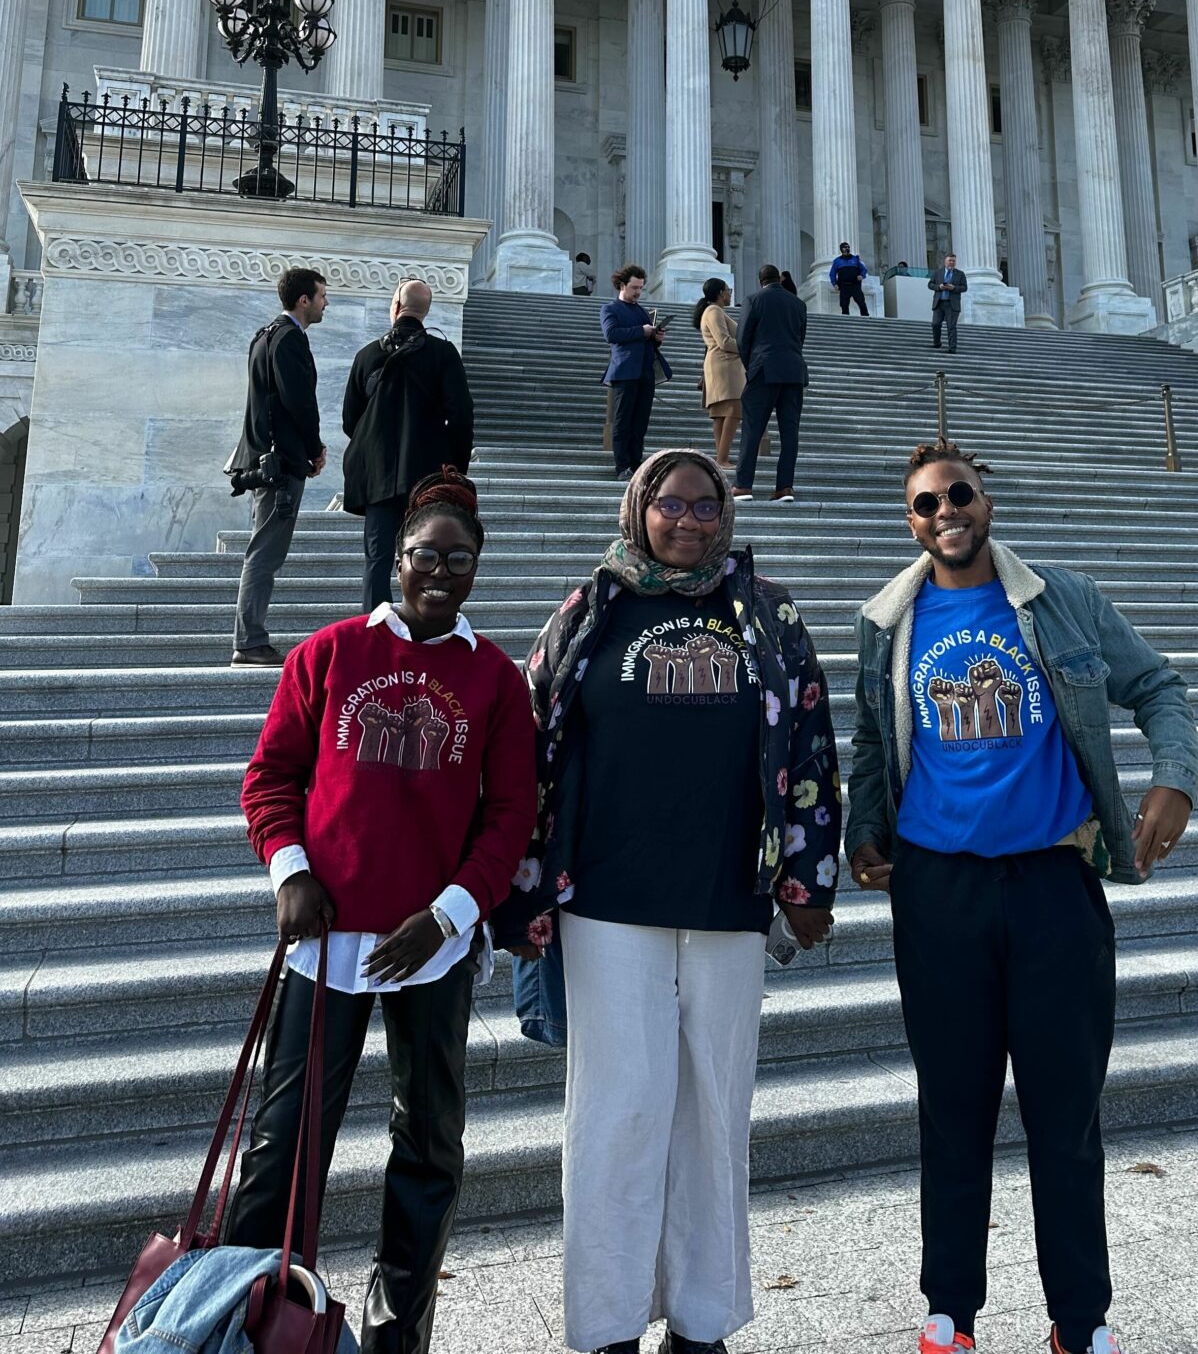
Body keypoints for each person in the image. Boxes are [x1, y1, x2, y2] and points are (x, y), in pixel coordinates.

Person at [846, 442, 1198, 1354]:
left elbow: (1158, 684)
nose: (945, 514)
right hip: (940, 893)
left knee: (1065, 1112)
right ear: (911, 521)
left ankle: (1080, 1321)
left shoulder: (1062, 600)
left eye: (958, 495)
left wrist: (1177, 778)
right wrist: (863, 828)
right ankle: (949, 1314)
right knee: (952, 1108)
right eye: (925, 505)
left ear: (987, 501)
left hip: (1053, 884)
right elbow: (870, 741)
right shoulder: (888, 621)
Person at [500, 449, 840, 1354]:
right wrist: (524, 889)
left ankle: (701, 1321)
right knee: (616, 1113)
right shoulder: (590, 607)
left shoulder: (766, 613)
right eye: (670, 505)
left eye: (705, 506)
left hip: (730, 894)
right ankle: (605, 1323)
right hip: (607, 897)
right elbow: (534, 744)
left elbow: (809, 741)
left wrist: (807, 879)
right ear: (637, 508)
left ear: (726, 515)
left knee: (714, 1115)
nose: (688, 521)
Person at [229, 470, 537, 1354]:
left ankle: (399, 1328)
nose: (440, 572)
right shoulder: (328, 654)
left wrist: (447, 915)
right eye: (425, 556)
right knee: (285, 1141)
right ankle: (258, 1319)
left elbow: (510, 815)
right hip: (325, 942)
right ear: (397, 559)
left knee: (429, 1144)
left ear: (477, 569)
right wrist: (290, 871)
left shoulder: (494, 680)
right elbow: (270, 778)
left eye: (459, 560)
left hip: (428, 949)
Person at [342, 280, 476, 614]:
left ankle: (375, 632)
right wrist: (455, 469)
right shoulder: (443, 354)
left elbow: (350, 420)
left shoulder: (367, 355)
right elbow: (461, 416)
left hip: (377, 477)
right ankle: (422, 622)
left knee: (377, 559)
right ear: (425, 311)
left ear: (396, 307)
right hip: (427, 477)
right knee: (427, 554)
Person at [230, 267, 328, 669]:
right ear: (303, 299)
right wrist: (314, 447)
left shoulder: (264, 335)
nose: (326, 303)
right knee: (265, 553)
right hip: (281, 461)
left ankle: (250, 638)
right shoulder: (288, 339)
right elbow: (297, 400)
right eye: (322, 296)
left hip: (265, 459)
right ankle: (250, 641)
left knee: (264, 550)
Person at [733, 262, 808, 503]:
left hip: (764, 369)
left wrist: (751, 364)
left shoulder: (753, 300)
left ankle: (744, 486)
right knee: (790, 433)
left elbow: (743, 339)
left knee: (753, 429)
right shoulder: (798, 303)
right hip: (794, 370)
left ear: (760, 280)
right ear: (780, 279)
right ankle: (785, 487)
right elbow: (800, 337)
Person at [602, 264, 671, 479]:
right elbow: (611, 334)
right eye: (634, 287)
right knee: (623, 421)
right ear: (622, 285)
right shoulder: (610, 309)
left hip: (645, 373)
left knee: (640, 423)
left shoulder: (642, 311)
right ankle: (622, 466)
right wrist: (641, 331)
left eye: (640, 288)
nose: (638, 292)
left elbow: (645, 342)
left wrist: (656, 338)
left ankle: (636, 463)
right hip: (624, 372)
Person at [694, 276, 745, 469]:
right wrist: (747, 347)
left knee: (722, 413)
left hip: (722, 365)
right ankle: (722, 458)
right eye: (728, 290)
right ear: (720, 293)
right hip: (724, 366)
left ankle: (721, 457)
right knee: (733, 410)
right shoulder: (714, 311)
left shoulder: (714, 311)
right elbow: (724, 341)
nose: (730, 294)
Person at [929, 254, 967, 354]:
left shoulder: (960, 274)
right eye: (950, 260)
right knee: (935, 324)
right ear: (945, 262)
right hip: (939, 303)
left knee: (951, 326)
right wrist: (939, 287)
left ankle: (952, 348)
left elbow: (964, 287)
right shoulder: (938, 273)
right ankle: (937, 342)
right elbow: (930, 284)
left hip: (952, 304)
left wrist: (954, 288)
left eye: (953, 261)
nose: (952, 262)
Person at [829, 241, 870, 316]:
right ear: (841, 249)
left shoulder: (856, 259)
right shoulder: (837, 261)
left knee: (861, 303)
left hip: (855, 285)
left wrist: (862, 275)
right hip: (844, 286)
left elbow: (864, 269)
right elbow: (832, 274)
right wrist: (834, 284)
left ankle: (866, 318)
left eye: (848, 247)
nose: (847, 248)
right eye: (845, 247)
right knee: (844, 305)